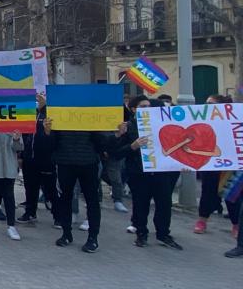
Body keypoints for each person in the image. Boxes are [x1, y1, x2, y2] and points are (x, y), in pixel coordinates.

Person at [114, 95, 182, 250]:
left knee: (164, 204)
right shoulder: (128, 127)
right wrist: (133, 146)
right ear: (133, 109)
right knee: (141, 205)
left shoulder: (161, 124)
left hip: (160, 173)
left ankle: (163, 234)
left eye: (149, 106)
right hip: (139, 173)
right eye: (143, 107)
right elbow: (117, 153)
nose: (147, 110)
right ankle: (141, 234)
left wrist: (181, 162)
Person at [45, 117, 111, 253]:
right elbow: (51, 144)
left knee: (92, 200)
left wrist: (108, 130)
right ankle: (66, 233)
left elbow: (102, 143)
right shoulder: (59, 112)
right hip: (65, 162)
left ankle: (93, 238)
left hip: (88, 162)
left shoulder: (90, 113)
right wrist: (48, 132)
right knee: (65, 199)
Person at [194, 95, 232, 234]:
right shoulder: (201, 119)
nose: (207, 106)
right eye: (206, 103)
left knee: (230, 193)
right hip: (210, 162)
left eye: (211, 104)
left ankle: (236, 225)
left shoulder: (232, 120)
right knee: (207, 191)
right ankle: (202, 220)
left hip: (228, 164)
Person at [18, 93, 57, 225]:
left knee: (50, 189)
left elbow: (55, 137)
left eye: (41, 97)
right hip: (30, 158)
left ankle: (58, 217)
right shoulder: (30, 112)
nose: (38, 99)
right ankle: (30, 213)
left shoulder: (52, 113)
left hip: (46, 159)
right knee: (30, 187)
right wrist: (21, 156)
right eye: (37, 97)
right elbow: (25, 135)